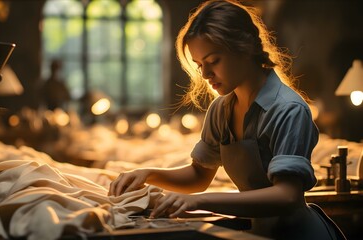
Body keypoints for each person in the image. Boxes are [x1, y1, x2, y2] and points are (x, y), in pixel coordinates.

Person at [109, 0, 345, 239]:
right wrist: (148, 174)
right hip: (258, 232)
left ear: (244, 47)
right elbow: (199, 176)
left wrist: (198, 201)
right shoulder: (221, 110)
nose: (205, 74)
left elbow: (287, 196)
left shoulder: (288, 109)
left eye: (213, 61)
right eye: (200, 65)